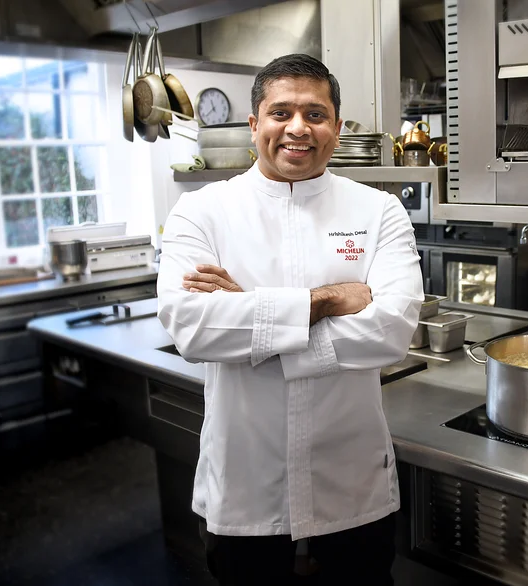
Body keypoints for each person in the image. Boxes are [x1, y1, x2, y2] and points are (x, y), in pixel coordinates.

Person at [156, 53, 424, 585]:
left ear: (337, 128)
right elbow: (192, 328)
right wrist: (325, 301)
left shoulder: (380, 211)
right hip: (248, 489)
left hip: (351, 488)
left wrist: (250, 316)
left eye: (315, 114)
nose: (298, 128)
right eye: (281, 112)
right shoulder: (200, 212)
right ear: (255, 124)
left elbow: (394, 329)